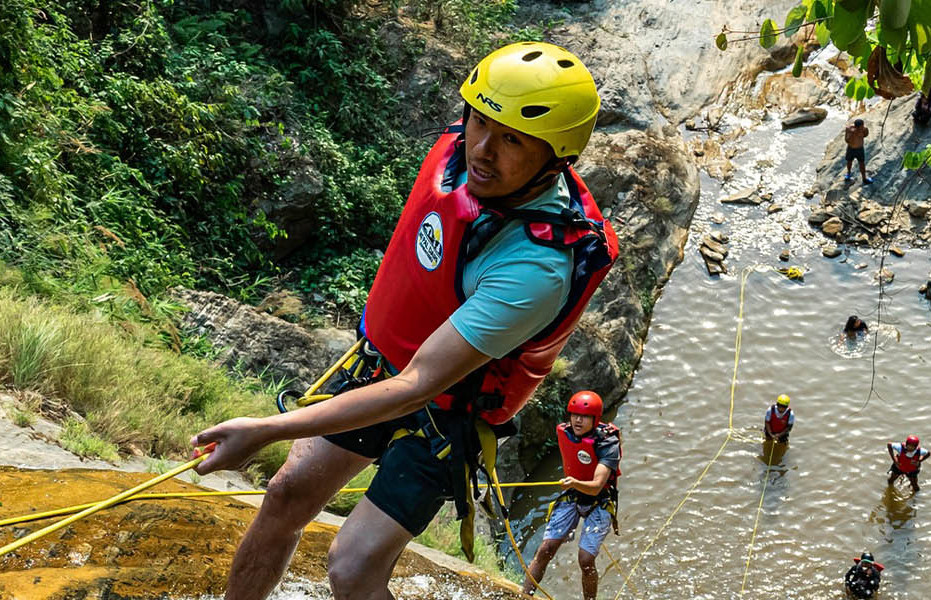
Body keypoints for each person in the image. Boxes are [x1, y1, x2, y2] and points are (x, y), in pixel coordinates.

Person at [189, 41, 618, 600]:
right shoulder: (462, 153)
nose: (483, 150)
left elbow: (417, 384)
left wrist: (264, 429)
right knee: (287, 494)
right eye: (480, 121)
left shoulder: (535, 268)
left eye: (513, 139)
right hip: (380, 363)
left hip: (446, 412)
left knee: (353, 565)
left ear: (558, 156)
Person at [521, 391, 622, 599]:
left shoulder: (607, 444)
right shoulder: (566, 432)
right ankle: (523, 595)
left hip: (600, 501)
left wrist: (575, 483)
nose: (577, 420)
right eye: (574, 414)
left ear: (595, 419)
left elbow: (596, 486)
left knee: (585, 559)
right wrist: (574, 485)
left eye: (584, 416)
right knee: (546, 549)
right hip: (573, 495)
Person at [843, 119, 872, 185]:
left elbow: (866, 134)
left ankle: (864, 179)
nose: (862, 127)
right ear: (856, 126)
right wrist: (852, 134)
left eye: (863, 126)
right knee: (849, 161)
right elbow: (847, 140)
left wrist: (864, 130)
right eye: (861, 126)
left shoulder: (863, 129)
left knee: (862, 163)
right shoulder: (849, 129)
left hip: (860, 149)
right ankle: (848, 174)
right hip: (851, 149)